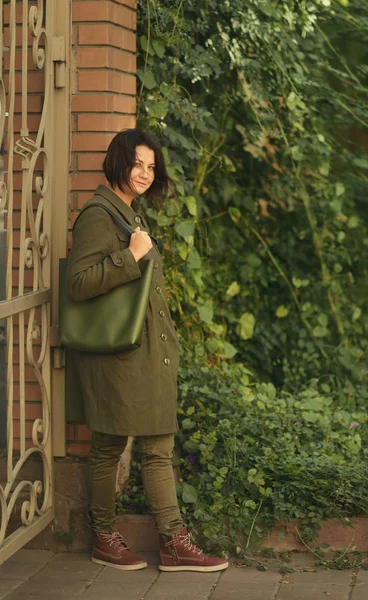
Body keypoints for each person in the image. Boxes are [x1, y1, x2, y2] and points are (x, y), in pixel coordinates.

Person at [66, 129, 229, 573]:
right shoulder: (99, 216)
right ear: (118, 161)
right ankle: (104, 535)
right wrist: (131, 256)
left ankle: (173, 542)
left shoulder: (129, 215)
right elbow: (78, 284)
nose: (144, 173)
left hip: (144, 354)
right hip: (117, 356)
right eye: (137, 163)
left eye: (151, 166)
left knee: (157, 445)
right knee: (109, 445)